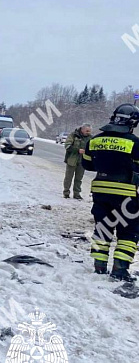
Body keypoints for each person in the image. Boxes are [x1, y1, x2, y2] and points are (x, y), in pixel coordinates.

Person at [82, 104, 139, 281]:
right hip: (126, 194)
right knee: (129, 232)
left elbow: (87, 164)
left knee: (103, 228)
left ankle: (99, 266)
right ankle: (120, 269)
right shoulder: (135, 143)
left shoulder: (95, 140)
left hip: (100, 192)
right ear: (132, 123)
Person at [63, 124, 92, 199]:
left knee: (79, 179)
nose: (88, 132)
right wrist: (77, 150)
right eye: (87, 131)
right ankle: (66, 192)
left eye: (89, 131)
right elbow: (67, 146)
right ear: (82, 129)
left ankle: (77, 193)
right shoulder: (73, 135)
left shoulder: (90, 138)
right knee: (68, 178)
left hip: (83, 161)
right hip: (72, 160)